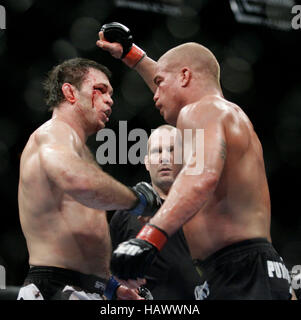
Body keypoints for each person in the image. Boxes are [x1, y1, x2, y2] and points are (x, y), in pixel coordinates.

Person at [97, 23, 294, 299]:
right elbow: (171, 76)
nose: (154, 94)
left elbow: (202, 176)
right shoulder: (224, 113)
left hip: (239, 271)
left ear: (186, 76)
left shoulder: (200, 111)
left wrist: (149, 237)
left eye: (158, 84)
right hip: (252, 268)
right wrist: (133, 55)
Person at [17, 57, 159, 300]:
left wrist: (112, 287)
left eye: (111, 93)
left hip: (84, 288)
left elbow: (80, 235)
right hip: (55, 287)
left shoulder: (78, 152)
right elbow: (76, 180)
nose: (109, 99)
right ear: (70, 92)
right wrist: (137, 199)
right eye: (100, 90)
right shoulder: (53, 133)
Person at [110, 125, 200, 299]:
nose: (164, 158)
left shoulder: (202, 211)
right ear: (146, 162)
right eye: (157, 152)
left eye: (172, 150)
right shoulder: (126, 214)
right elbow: (105, 270)